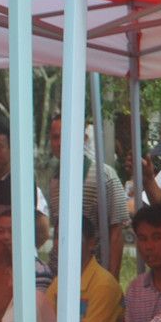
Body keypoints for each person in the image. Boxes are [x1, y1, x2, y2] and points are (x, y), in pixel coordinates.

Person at [46, 113, 130, 275]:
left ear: (84, 139)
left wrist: (112, 278)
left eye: (66, 136)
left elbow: (116, 232)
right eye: (55, 137)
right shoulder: (54, 181)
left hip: (95, 274)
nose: (60, 142)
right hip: (60, 274)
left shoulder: (104, 176)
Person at [45, 213, 125, 322]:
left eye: (72, 236)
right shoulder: (60, 281)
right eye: (58, 236)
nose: (63, 242)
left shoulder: (104, 284)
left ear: (91, 243)